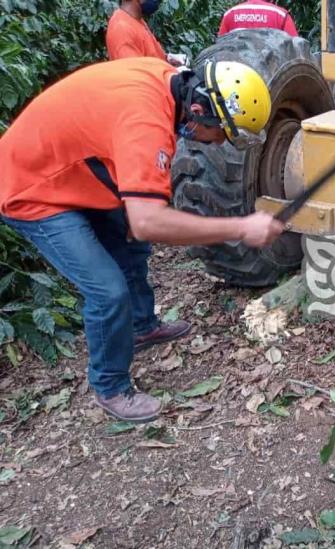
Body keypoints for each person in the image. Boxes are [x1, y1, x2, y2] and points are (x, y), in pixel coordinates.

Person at [0, 57, 284, 423]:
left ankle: (140, 327)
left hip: (75, 168)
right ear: (199, 112)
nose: (221, 144)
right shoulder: (146, 121)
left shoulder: (167, 83)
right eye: (224, 134)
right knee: (107, 290)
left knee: (131, 239)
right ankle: (111, 386)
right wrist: (241, 228)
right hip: (31, 188)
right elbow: (149, 221)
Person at [106, 0, 187, 66]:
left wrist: (168, 58)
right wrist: (171, 76)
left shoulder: (137, 19)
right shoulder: (121, 28)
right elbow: (136, 74)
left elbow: (149, 55)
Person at [218, 0, 299, 38]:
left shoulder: (230, 13)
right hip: (271, 70)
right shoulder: (281, 15)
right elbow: (295, 48)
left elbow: (220, 47)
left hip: (236, 69)